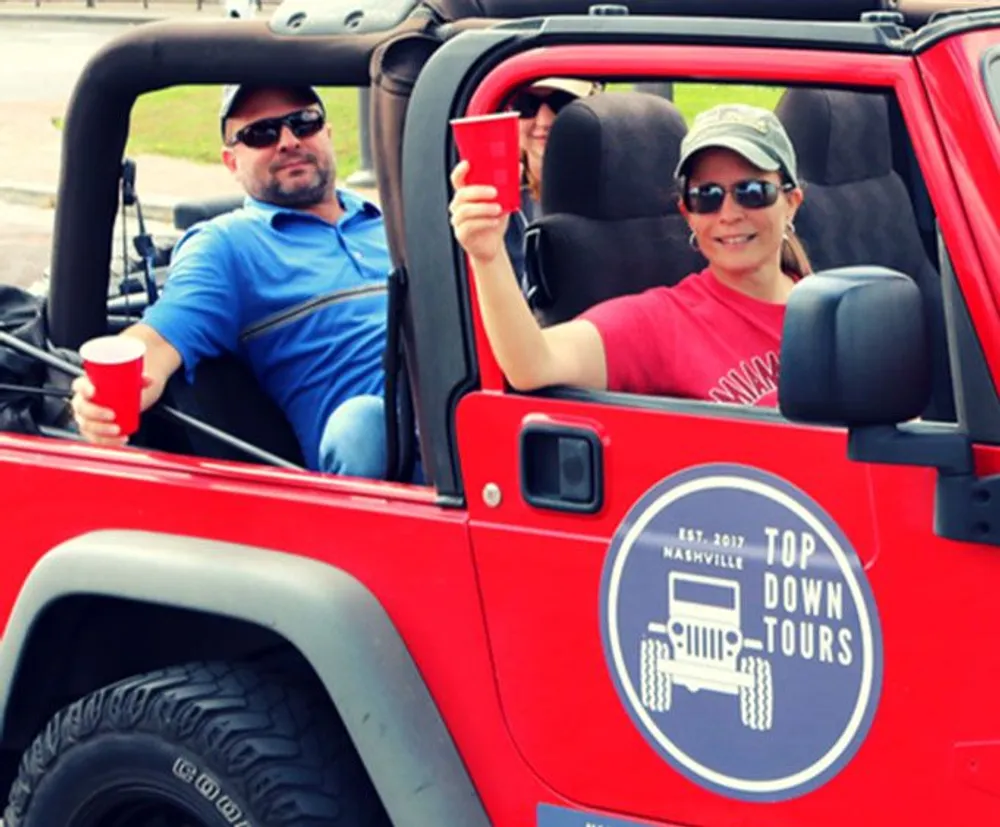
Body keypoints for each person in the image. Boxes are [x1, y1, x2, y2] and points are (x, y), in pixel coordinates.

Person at [69, 84, 401, 479]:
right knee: (361, 424)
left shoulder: (393, 219)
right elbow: (159, 338)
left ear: (327, 134)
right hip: (385, 457)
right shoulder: (227, 245)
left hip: (467, 404)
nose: (289, 142)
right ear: (231, 162)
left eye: (304, 123)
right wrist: (101, 394)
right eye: (261, 133)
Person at [450, 102, 812, 407]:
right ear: (687, 213)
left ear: (791, 202)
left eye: (752, 191)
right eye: (708, 196)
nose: (729, 214)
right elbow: (533, 364)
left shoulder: (830, 307)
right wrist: (488, 255)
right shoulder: (663, 323)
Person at [503, 77, 602, 284]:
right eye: (526, 105)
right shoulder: (495, 198)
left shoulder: (616, 192)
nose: (544, 120)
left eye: (562, 103)